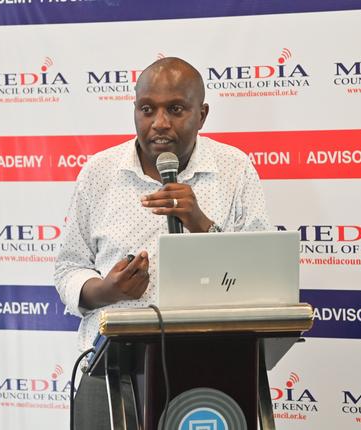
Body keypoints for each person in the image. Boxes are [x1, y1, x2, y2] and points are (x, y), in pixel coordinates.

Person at [54, 57, 272, 428]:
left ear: (201, 115)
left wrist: (202, 225)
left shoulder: (235, 169)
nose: (159, 123)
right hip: (109, 371)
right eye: (147, 109)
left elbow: (264, 275)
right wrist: (107, 290)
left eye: (175, 109)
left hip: (213, 365)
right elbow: (68, 268)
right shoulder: (99, 172)